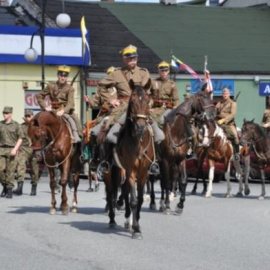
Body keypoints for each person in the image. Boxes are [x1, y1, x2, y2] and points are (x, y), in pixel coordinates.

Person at [97, 45, 164, 174]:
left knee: (158, 131)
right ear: (124, 59)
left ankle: (154, 161)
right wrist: (110, 100)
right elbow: (101, 86)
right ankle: (107, 160)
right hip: (122, 107)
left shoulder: (144, 73)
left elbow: (147, 91)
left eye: (134, 58)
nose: (132, 60)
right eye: (129, 59)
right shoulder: (116, 74)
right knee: (110, 132)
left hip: (140, 108)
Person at [36, 65, 83, 144]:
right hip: (53, 110)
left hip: (65, 111)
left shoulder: (70, 88)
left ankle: (77, 140)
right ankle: (36, 141)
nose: (63, 78)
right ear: (58, 75)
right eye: (61, 75)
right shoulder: (51, 86)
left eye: (65, 76)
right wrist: (45, 107)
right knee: (39, 120)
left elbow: (71, 103)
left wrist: (63, 111)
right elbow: (39, 96)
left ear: (67, 77)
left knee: (76, 123)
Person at [13, 110, 40, 196]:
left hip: (35, 149)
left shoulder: (38, 126)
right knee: (21, 166)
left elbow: (41, 138)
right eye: (26, 116)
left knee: (34, 169)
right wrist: (16, 148)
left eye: (29, 116)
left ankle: (34, 188)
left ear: (33, 116)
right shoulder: (21, 126)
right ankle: (19, 188)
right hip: (24, 149)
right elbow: (17, 138)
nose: (28, 118)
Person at [0, 106, 24, 198]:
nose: (4, 114)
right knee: (0, 170)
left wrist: (15, 149)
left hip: (12, 149)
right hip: (1, 149)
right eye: (3, 113)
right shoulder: (0, 124)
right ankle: (5, 186)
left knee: (10, 171)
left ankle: (9, 189)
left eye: (6, 113)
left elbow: (21, 138)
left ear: (10, 114)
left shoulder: (16, 125)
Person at [216, 88, 240, 159]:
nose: (225, 95)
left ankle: (237, 153)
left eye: (226, 94)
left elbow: (233, 114)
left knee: (235, 136)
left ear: (229, 94)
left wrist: (224, 119)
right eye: (224, 94)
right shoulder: (220, 103)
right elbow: (215, 111)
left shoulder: (233, 103)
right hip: (219, 123)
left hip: (229, 123)